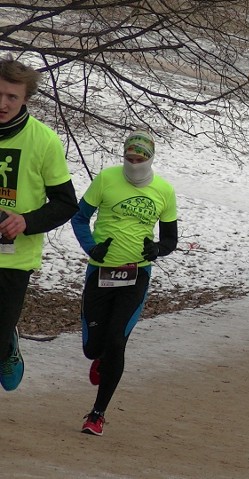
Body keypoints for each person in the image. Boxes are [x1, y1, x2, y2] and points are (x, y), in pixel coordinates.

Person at [70, 130, 178, 435]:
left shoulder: (164, 191)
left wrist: (157, 249)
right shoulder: (106, 179)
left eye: (140, 159)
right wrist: (91, 247)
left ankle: (97, 414)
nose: (134, 164)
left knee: (117, 340)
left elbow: (170, 239)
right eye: (129, 159)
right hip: (101, 272)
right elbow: (79, 218)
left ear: (150, 159)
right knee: (93, 348)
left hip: (136, 275)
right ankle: (100, 357)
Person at [0, 59, 78, 392]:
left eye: (12, 97)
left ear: (25, 99)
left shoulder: (44, 141)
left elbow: (66, 203)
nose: (2, 104)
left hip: (13, 259)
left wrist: (26, 221)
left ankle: (7, 345)